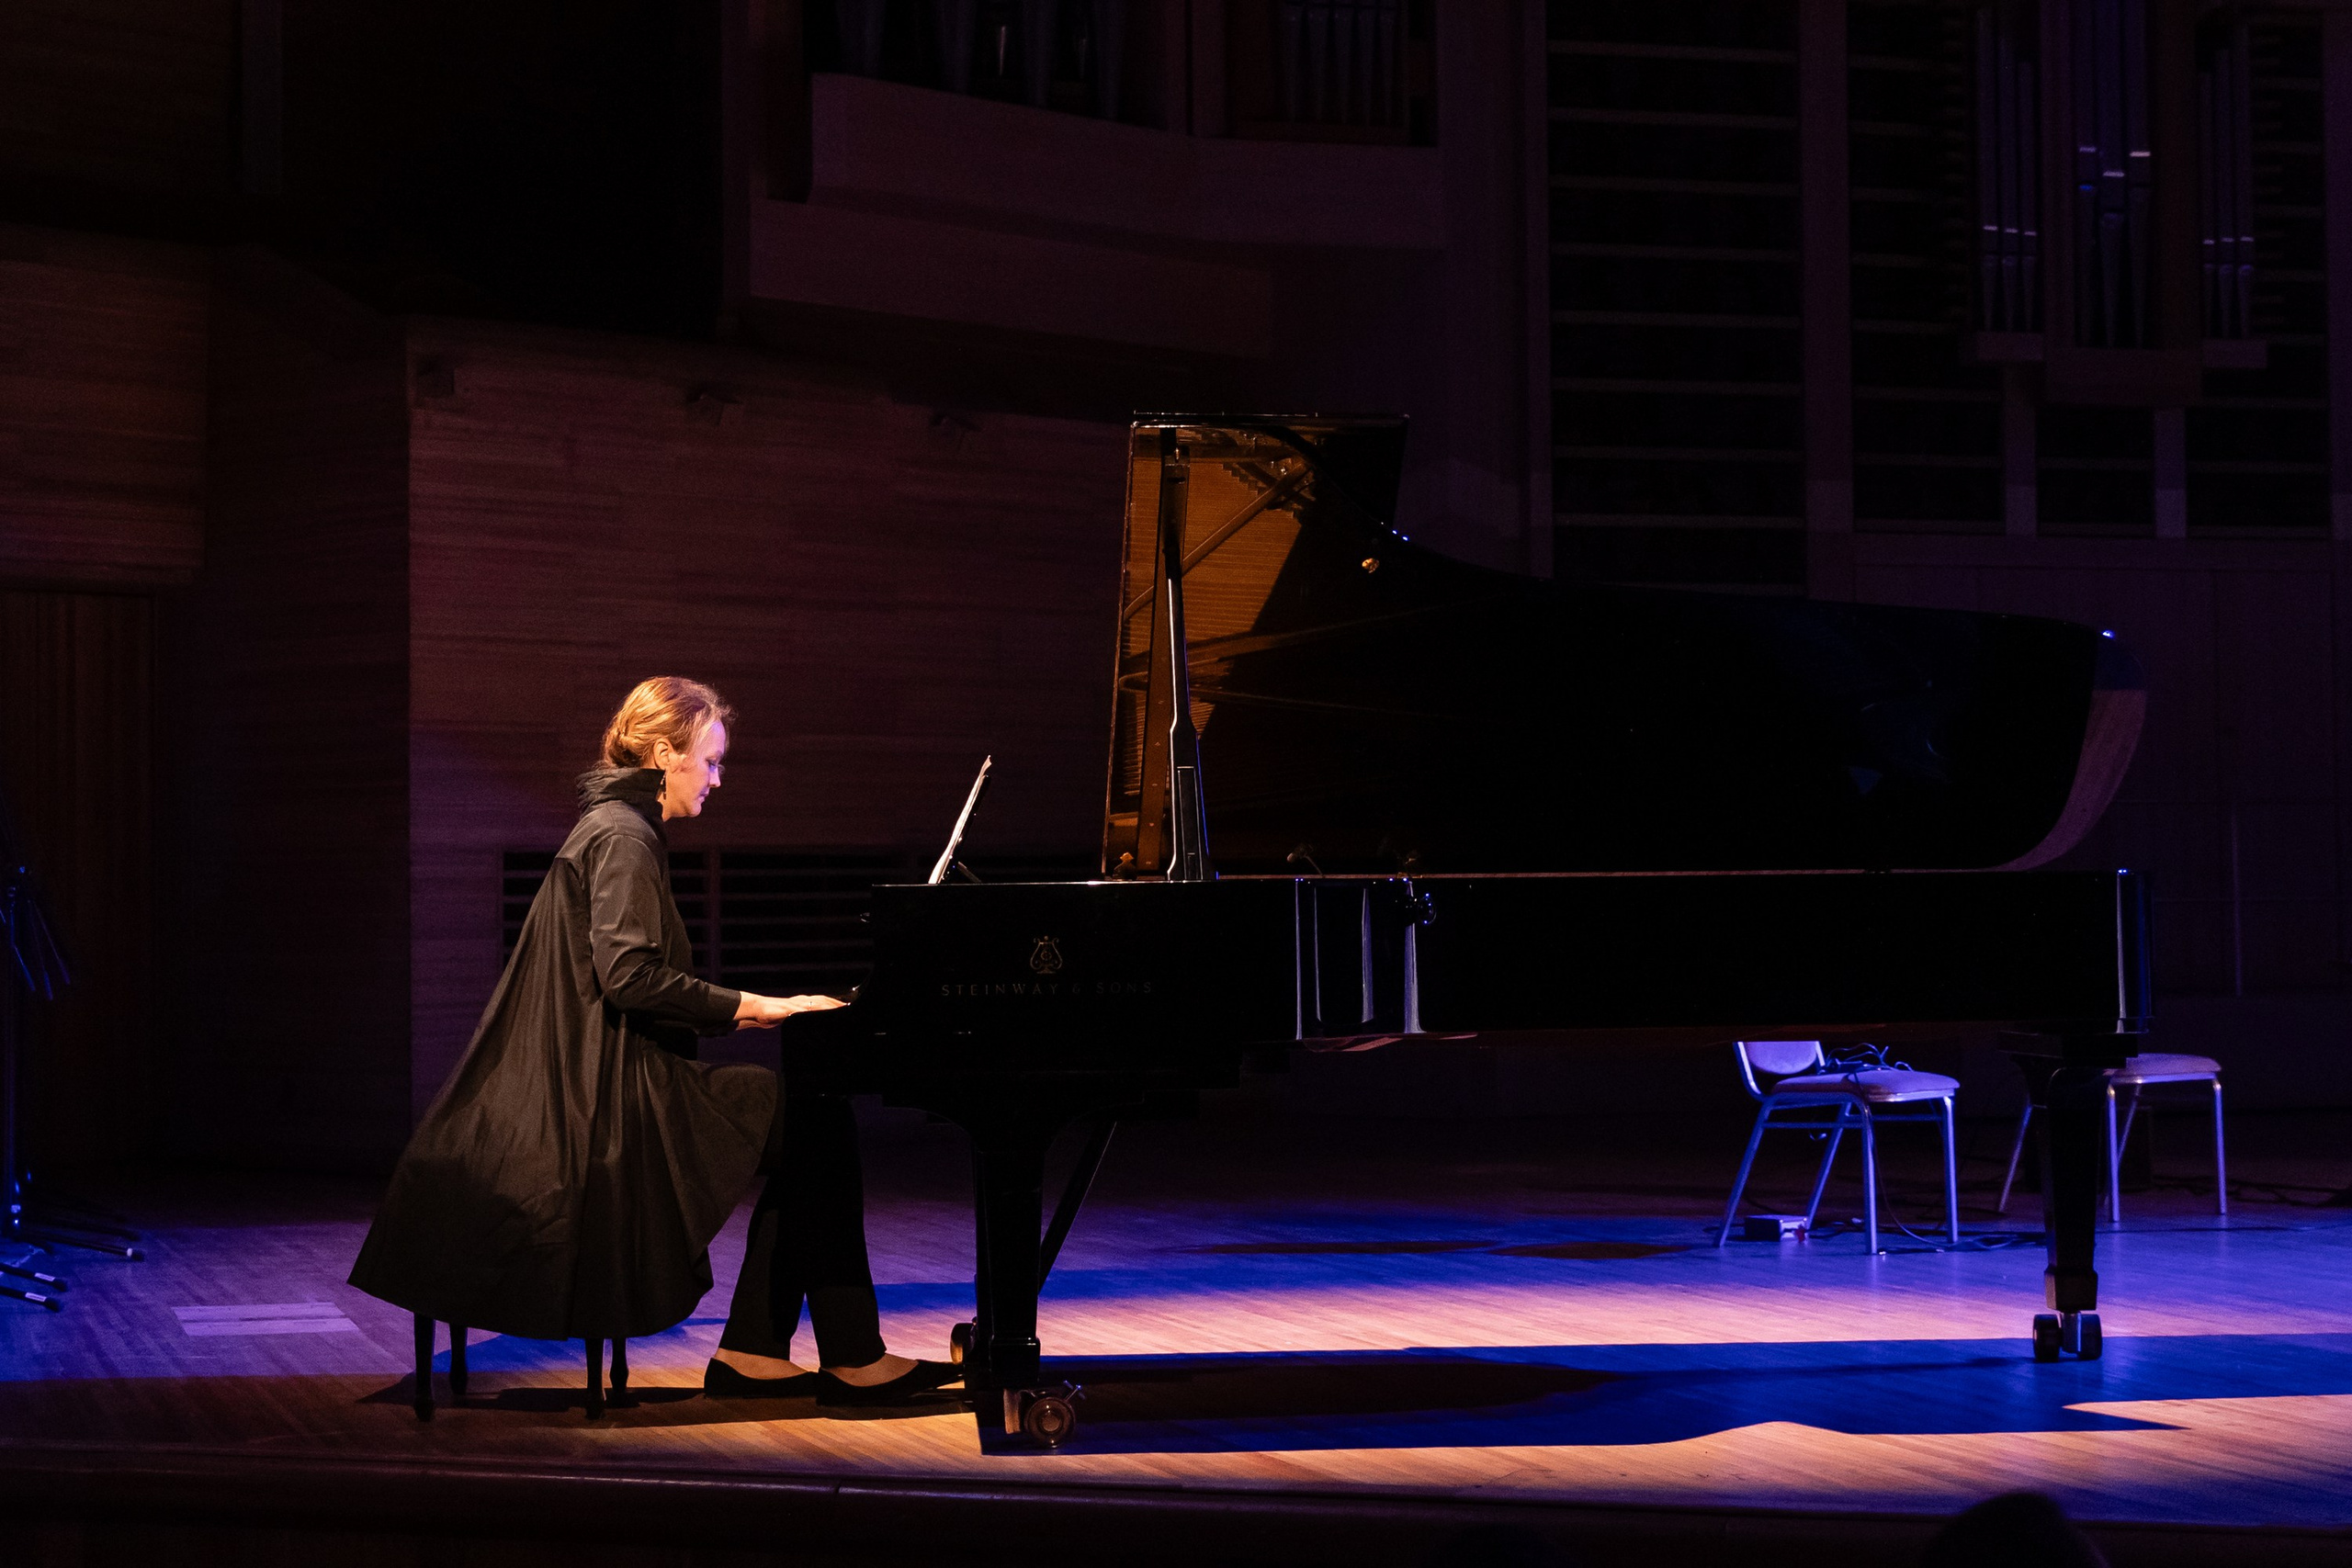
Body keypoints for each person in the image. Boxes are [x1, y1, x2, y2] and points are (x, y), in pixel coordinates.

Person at [350, 677, 956, 1404]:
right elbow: (630, 976)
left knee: (809, 1124)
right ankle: (833, 1356)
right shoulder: (624, 836)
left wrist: (753, 1010)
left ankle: (760, 1354)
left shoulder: (613, 825)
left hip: (605, 1077)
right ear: (666, 754)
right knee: (815, 1118)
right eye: (711, 760)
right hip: (612, 1095)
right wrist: (762, 1006)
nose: (718, 778)